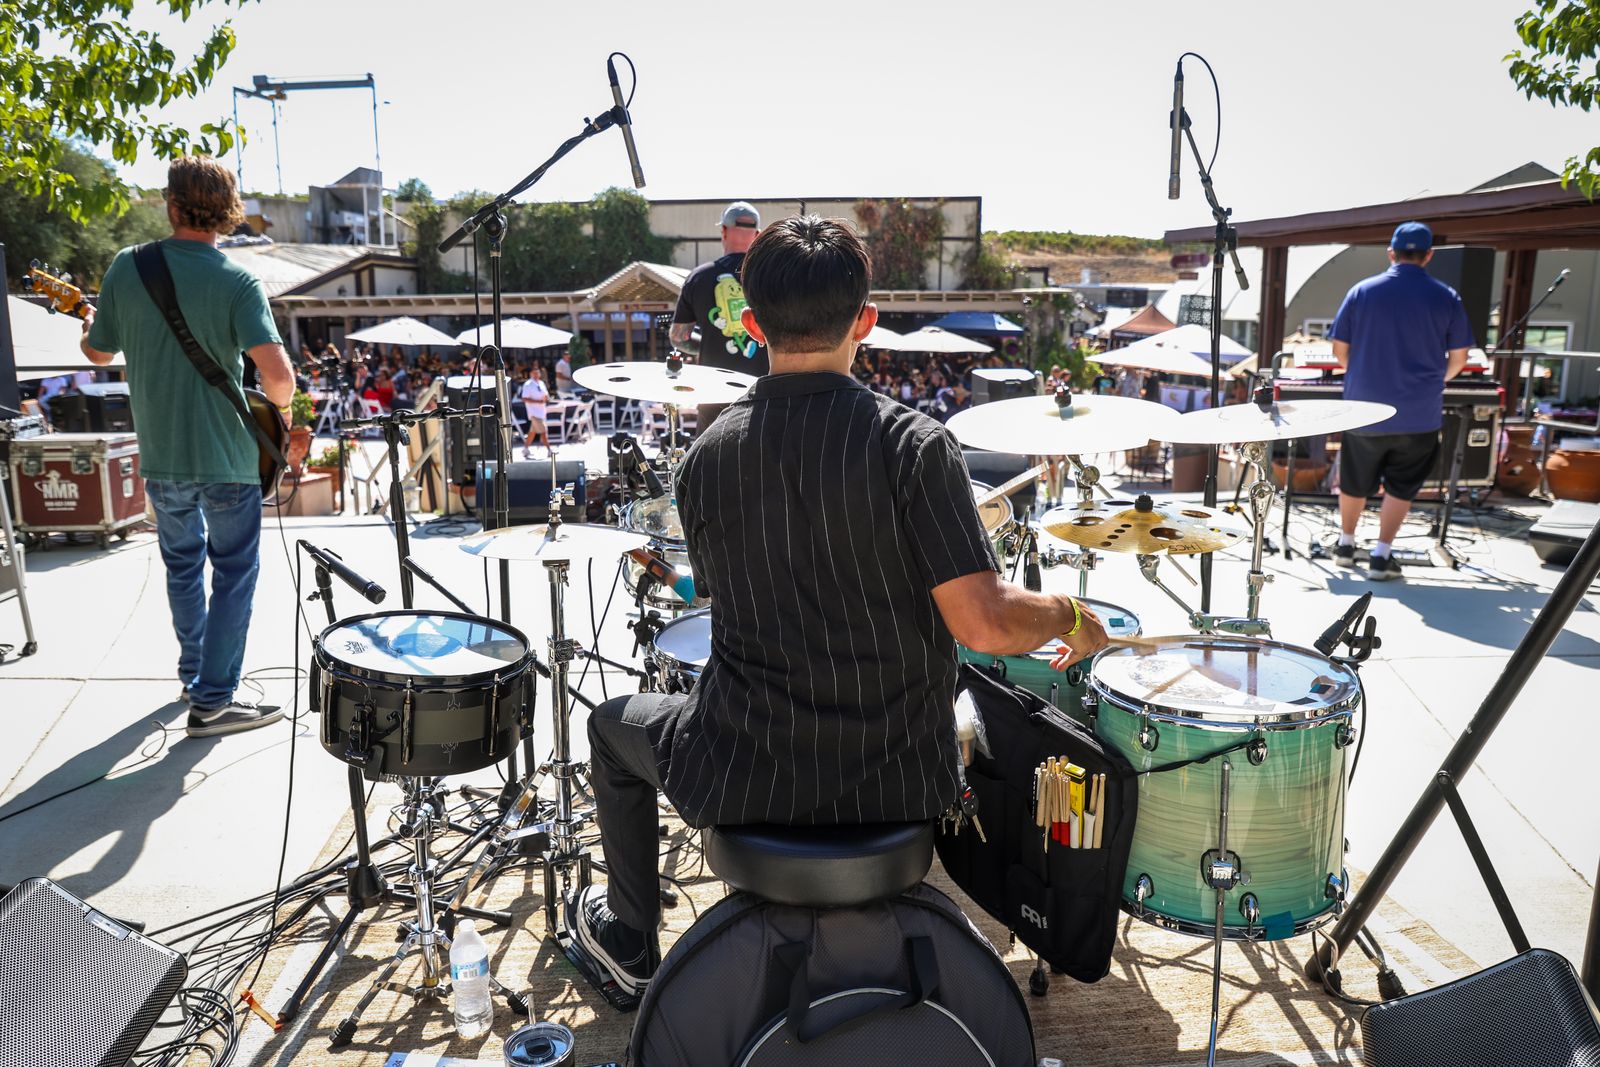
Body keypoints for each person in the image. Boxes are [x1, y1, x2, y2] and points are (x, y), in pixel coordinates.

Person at [573, 216, 1108, 995]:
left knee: (609, 723)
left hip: (747, 768)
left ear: (753, 327)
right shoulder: (914, 445)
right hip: (897, 775)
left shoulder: (706, 459)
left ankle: (629, 940)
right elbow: (985, 622)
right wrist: (1069, 614)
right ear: (866, 321)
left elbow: (719, 595)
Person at [79, 155, 295, 737]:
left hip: (162, 455)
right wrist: (283, 410)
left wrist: (90, 322)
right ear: (228, 213)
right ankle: (215, 700)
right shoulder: (237, 281)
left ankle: (196, 677)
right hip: (226, 457)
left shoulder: (128, 266)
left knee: (182, 568)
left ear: (171, 205)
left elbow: (97, 352)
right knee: (234, 574)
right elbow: (278, 379)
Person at [1330, 221, 1472, 581]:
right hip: (1418, 414)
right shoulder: (1446, 296)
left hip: (1363, 410)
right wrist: (1434, 382)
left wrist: (1362, 376)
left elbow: (1340, 350)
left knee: (1353, 481)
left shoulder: (1362, 291)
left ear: (1391, 253)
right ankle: (1381, 556)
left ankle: (1345, 546)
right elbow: (1459, 358)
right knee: (1401, 486)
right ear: (1429, 256)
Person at [671, 201, 765, 427]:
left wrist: (708, 344)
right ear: (757, 235)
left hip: (714, 395)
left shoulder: (699, 277)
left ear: (723, 231)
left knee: (710, 450)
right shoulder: (773, 277)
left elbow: (678, 338)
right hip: (763, 396)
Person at [520, 364, 550, 457]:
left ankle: (525, 449)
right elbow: (524, 398)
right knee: (543, 432)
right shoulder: (528, 384)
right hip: (534, 413)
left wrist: (546, 398)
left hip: (541, 412)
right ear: (531, 374)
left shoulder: (541, 383)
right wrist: (538, 401)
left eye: (538, 373)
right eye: (534, 373)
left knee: (532, 432)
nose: (536, 375)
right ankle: (549, 450)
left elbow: (546, 395)